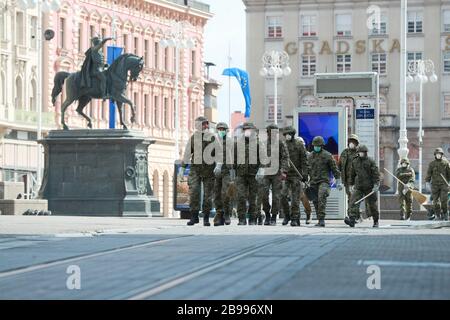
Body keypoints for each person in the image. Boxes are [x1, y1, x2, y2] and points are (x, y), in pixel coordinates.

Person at [180, 116, 216, 226]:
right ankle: (194, 216)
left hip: (209, 169)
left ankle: (206, 217)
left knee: (207, 195)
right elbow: (187, 153)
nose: (205, 126)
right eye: (203, 124)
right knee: (194, 192)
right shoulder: (193, 137)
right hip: (195, 169)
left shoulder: (212, 137)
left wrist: (218, 165)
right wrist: (183, 167)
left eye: (206, 124)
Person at [259, 124, 290, 226]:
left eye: (276, 132)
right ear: (268, 133)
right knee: (264, 194)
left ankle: (273, 217)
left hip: (277, 173)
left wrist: (284, 171)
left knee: (276, 196)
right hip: (266, 173)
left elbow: (285, 158)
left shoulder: (281, 144)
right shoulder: (263, 144)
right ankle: (267, 214)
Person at [307, 136, 342, 227]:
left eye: (318, 145)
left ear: (322, 146)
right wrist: (304, 179)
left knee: (322, 196)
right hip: (313, 182)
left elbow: (335, 169)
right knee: (315, 201)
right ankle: (319, 219)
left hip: (324, 181)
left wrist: (338, 181)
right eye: (315, 145)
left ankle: (322, 219)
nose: (316, 147)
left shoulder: (327, 155)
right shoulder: (310, 156)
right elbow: (306, 169)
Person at [280, 126, 309, 226]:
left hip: (297, 175)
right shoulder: (283, 145)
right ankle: (287, 215)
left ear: (292, 134)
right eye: (286, 134)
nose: (287, 136)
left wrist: (305, 174)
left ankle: (294, 218)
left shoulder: (299, 144)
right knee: (283, 195)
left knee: (295, 198)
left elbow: (304, 161)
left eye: (289, 134)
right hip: (286, 175)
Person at [346, 145, 380, 228]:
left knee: (372, 205)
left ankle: (376, 221)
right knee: (353, 201)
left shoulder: (370, 161)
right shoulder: (355, 162)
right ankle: (352, 220)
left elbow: (376, 174)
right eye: (360, 152)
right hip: (359, 186)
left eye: (363, 152)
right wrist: (351, 184)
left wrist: (376, 184)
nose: (361, 154)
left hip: (369, 187)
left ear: (366, 153)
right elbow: (352, 174)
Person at [235, 122, 262, 225]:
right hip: (241, 174)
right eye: (245, 129)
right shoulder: (238, 143)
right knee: (241, 196)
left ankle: (252, 218)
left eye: (249, 129)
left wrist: (261, 169)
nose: (247, 131)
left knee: (253, 198)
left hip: (254, 174)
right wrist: (234, 168)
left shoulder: (258, 143)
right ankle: (241, 218)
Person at [213, 122, 234, 226]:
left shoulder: (230, 142)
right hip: (216, 172)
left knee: (226, 193)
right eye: (219, 129)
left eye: (223, 129)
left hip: (226, 171)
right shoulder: (214, 141)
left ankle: (227, 214)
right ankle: (219, 214)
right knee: (216, 194)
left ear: (227, 130)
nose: (221, 131)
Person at [339, 134, 361, 221]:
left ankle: (352, 216)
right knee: (350, 197)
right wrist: (337, 178)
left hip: (357, 180)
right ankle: (355, 214)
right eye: (350, 141)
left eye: (354, 142)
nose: (352, 143)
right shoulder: (344, 153)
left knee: (354, 197)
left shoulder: (359, 153)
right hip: (347, 180)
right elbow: (340, 165)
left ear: (356, 143)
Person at [425, 148, 450, 221]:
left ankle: (445, 214)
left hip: (444, 185)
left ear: (442, 155)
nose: (438, 155)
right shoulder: (432, 164)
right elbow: (429, 174)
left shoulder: (446, 163)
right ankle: (438, 215)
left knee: (443, 200)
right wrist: (427, 182)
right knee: (435, 202)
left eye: (439, 154)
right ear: (435, 155)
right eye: (437, 154)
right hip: (435, 185)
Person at [298, 137, 313, 224]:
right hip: (295, 178)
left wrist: (309, 178)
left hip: (306, 179)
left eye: (301, 145)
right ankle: (295, 217)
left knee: (303, 197)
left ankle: (308, 213)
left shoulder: (309, 155)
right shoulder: (293, 156)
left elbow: (313, 167)